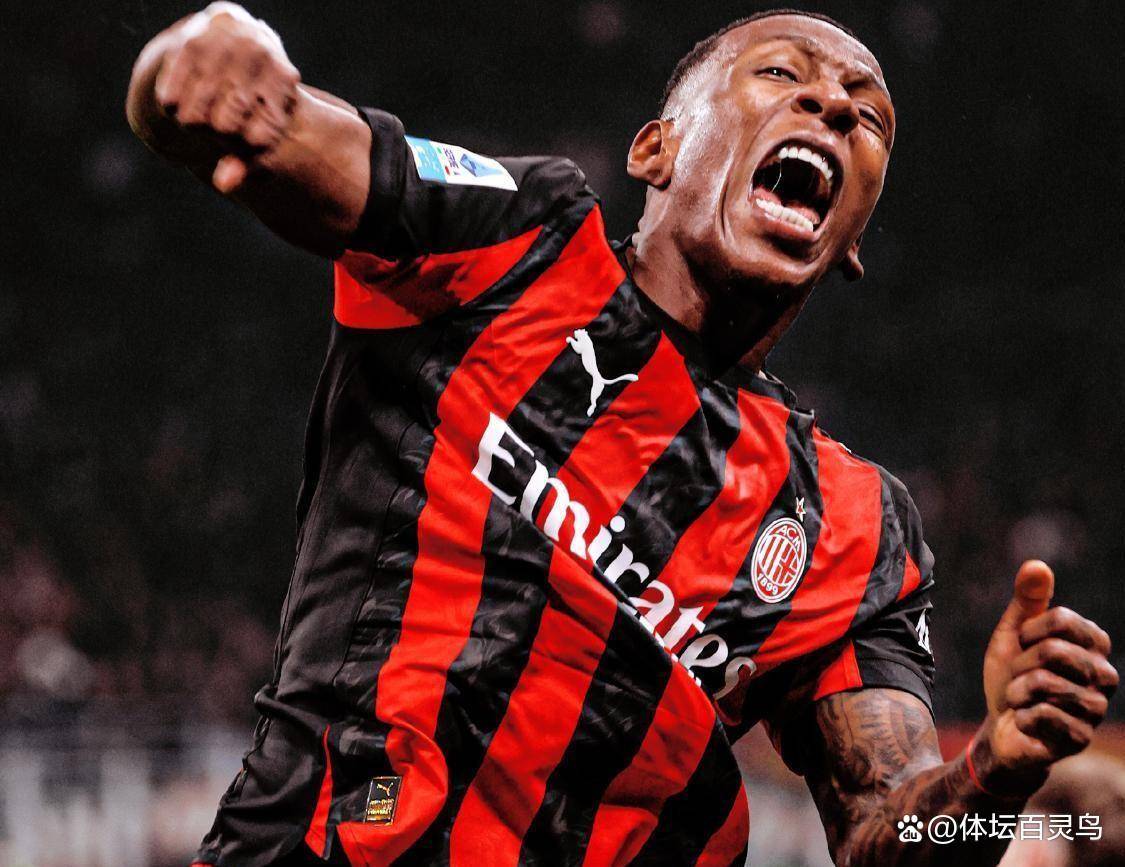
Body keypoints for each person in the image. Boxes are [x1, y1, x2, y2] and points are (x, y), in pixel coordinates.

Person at [126, 4, 1118, 866]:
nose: (834, 105)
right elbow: (280, 131)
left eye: (870, 116)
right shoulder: (513, 246)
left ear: (851, 239)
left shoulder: (854, 529)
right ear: (655, 151)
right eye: (782, 74)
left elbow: (883, 831)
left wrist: (998, 767)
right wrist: (209, 53)